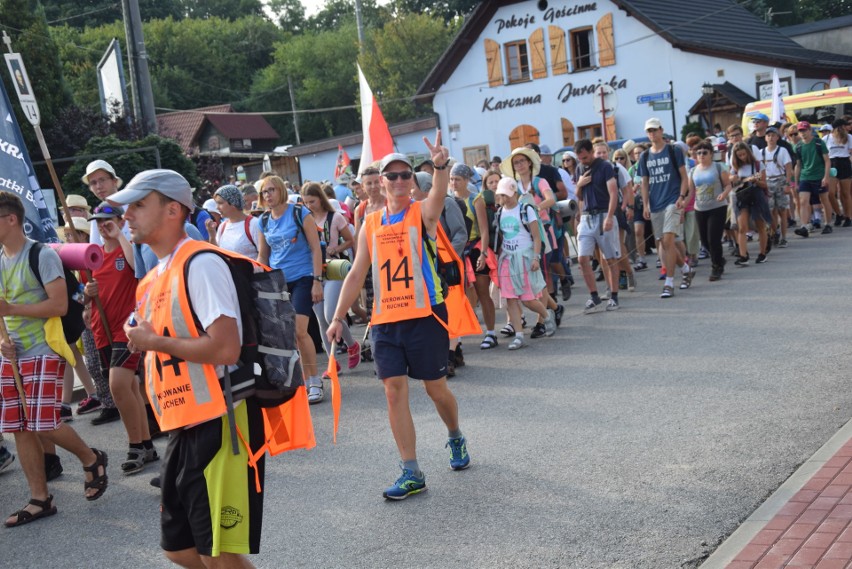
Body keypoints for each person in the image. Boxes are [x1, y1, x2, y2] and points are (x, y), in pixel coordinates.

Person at [109, 169, 268, 567]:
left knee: (216, 552)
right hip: (182, 422)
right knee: (179, 550)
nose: (127, 215)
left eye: (139, 205)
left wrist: (154, 342)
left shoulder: (200, 263)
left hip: (220, 418)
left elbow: (226, 348)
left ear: (173, 210)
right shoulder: (151, 279)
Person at [327, 134, 473, 501]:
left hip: (425, 315)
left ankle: (454, 435)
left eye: (404, 175)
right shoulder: (371, 223)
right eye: (390, 176)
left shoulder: (421, 211)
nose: (397, 181)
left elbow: (438, 196)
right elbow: (357, 272)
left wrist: (439, 166)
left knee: (435, 389)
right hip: (386, 321)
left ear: (411, 180)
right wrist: (338, 316)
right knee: (394, 392)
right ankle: (411, 471)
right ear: (381, 181)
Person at [0, 192, 108, 528]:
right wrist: (3, 341)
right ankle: (40, 499)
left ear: (11, 219)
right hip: (13, 354)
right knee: (19, 427)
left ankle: (92, 459)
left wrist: (13, 310)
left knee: (43, 422)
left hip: (45, 347)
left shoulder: (41, 255)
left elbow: (60, 305)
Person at [83, 203, 156, 475]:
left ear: (118, 220)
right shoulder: (92, 257)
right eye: (98, 221)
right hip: (101, 329)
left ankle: (134, 445)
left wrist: (120, 233)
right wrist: (88, 294)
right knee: (131, 388)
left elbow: (136, 268)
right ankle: (146, 444)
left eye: (108, 220)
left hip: (125, 329)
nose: (103, 225)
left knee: (118, 385)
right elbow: (84, 298)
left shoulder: (130, 248)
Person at [256, 175, 326, 404]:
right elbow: (263, 256)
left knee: (299, 330)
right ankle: (298, 380)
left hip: (303, 277)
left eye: (272, 190)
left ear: (281, 191)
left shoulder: (299, 213)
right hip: (278, 281)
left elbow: (316, 249)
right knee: (284, 335)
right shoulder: (263, 221)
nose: (268, 195)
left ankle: (313, 380)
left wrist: (317, 280)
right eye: (264, 192)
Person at [301, 181, 361, 387]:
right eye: (306, 202)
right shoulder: (304, 218)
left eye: (313, 201)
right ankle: (332, 362)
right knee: (320, 319)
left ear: (321, 198)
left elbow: (351, 240)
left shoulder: (334, 217)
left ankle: (352, 345)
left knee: (330, 315)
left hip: (334, 268)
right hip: (314, 271)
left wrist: (335, 249)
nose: (310, 205)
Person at [493, 177, 552, 349]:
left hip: (524, 257)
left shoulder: (526, 210)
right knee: (510, 298)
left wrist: (535, 258)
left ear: (514, 193)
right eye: (501, 195)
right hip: (507, 258)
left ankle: (547, 316)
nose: (503, 198)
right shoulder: (499, 212)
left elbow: (536, 237)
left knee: (527, 299)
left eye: (506, 195)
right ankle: (519, 336)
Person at [637, 118, 691, 299]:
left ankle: (669, 283)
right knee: (664, 243)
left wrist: (682, 197)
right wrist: (645, 204)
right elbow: (644, 182)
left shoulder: (673, 150)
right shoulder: (644, 156)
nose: (652, 133)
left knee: (668, 241)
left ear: (661, 130)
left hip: (673, 200)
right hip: (655, 203)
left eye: (654, 130)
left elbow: (684, 176)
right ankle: (685, 268)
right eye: (649, 131)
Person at [573, 139, 621, 313]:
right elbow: (579, 195)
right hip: (586, 216)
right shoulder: (579, 168)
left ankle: (614, 296)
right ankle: (594, 296)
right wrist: (579, 185)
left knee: (609, 258)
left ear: (591, 151)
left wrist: (609, 216)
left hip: (602, 214)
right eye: (580, 158)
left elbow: (613, 193)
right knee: (582, 258)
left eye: (585, 157)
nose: (583, 161)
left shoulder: (605, 167)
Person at [685, 140, 732, 281]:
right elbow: (690, 193)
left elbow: (728, 185)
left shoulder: (718, 167)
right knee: (705, 241)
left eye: (704, 152)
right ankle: (719, 259)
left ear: (711, 153)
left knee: (713, 239)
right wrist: (682, 205)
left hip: (717, 207)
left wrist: (723, 194)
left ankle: (716, 267)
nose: (701, 155)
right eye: (698, 153)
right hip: (700, 209)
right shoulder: (693, 171)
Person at [730, 142, 770, 265]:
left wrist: (755, 181)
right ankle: (743, 256)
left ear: (748, 152)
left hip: (756, 195)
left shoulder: (758, 165)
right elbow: (731, 179)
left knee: (760, 226)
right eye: (739, 155)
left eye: (744, 154)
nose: (742, 157)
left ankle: (762, 253)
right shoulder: (736, 167)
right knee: (741, 227)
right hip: (742, 197)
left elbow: (764, 184)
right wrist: (736, 179)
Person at [793, 122, 832, 238]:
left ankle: (828, 223)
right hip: (805, 176)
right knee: (803, 201)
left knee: (824, 199)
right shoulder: (798, 146)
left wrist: (826, 176)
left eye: (804, 130)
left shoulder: (819, 143)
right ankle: (804, 226)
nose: (802, 133)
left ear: (810, 130)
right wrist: (796, 182)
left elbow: (827, 160)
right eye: (800, 131)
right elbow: (798, 165)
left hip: (819, 176)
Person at [759, 127, 795, 247]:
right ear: (765, 138)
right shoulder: (761, 152)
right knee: (769, 210)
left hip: (780, 179)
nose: (771, 138)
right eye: (768, 135)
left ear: (777, 137)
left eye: (773, 135)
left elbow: (788, 167)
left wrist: (787, 183)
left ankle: (784, 237)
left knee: (782, 211)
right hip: (767, 181)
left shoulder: (782, 150)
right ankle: (776, 232)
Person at [206, 184, 261, 258]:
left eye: (220, 203)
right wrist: (212, 235)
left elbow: (263, 256)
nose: (217, 207)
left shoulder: (254, 224)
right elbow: (218, 254)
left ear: (233, 203)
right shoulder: (222, 226)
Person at [826, 118, 852, 227]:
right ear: (838, 127)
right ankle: (838, 213)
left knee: (845, 193)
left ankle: (848, 217)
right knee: (830, 193)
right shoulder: (826, 138)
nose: (846, 128)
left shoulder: (849, 137)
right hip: (832, 164)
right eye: (844, 126)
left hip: (844, 163)